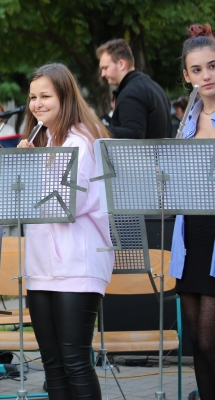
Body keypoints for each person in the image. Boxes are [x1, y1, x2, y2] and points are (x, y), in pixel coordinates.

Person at [17, 63, 114, 399]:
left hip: (78, 265)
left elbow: (64, 204)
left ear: (65, 97)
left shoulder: (80, 142)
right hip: (42, 267)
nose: (37, 104)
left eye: (46, 95)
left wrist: (25, 175)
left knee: (74, 360)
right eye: (32, 97)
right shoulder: (46, 141)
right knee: (52, 363)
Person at [170, 23, 215, 400]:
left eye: (213, 66)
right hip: (190, 240)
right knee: (197, 344)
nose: (206, 76)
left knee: (211, 339)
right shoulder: (187, 120)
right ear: (187, 77)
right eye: (197, 70)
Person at [96, 38, 171, 138]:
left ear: (121, 64)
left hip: (148, 153)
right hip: (161, 153)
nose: (103, 74)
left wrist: (97, 128)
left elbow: (133, 136)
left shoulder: (131, 92)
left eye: (105, 68)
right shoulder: (153, 87)